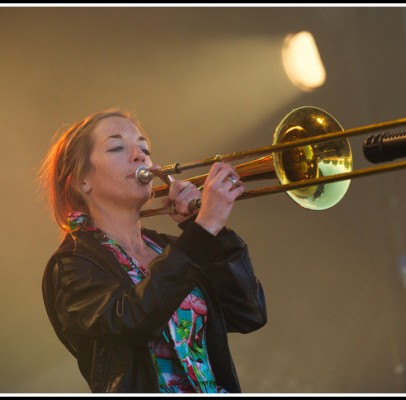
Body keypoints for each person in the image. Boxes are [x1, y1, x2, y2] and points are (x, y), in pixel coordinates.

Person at [38, 108, 267, 393]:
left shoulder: (171, 248)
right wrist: (203, 229)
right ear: (80, 180)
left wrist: (212, 233)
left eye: (144, 148)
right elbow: (133, 320)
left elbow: (248, 314)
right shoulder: (71, 265)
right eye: (117, 147)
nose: (140, 156)